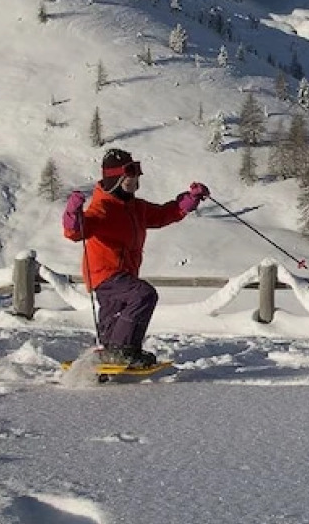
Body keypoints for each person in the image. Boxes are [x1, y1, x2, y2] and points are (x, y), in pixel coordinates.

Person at [62, 148, 209, 367]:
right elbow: (74, 232)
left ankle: (113, 355)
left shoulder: (135, 208)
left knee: (115, 320)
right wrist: (73, 214)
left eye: (137, 174)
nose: (137, 179)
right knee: (143, 295)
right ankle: (123, 352)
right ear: (116, 179)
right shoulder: (102, 209)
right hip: (105, 274)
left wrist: (188, 202)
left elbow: (162, 215)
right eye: (132, 175)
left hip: (124, 274)